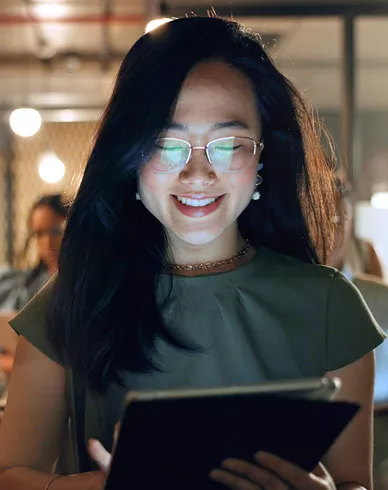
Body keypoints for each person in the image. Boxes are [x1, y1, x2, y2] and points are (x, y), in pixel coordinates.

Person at [0, 16, 385, 490]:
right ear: (131, 156)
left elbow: (354, 483)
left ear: (262, 157)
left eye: (228, 145)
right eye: (166, 143)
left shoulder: (330, 307)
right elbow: (10, 476)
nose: (197, 173)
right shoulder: (74, 299)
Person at [0, 194, 68, 378]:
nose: (47, 242)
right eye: (39, 234)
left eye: (55, 231)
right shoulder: (29, 285)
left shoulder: (82, 283)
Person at [331, 179, 384, 279]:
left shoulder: (365, 251)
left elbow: (379, 291)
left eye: (343, 215)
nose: (337, 226)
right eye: (332, 217)